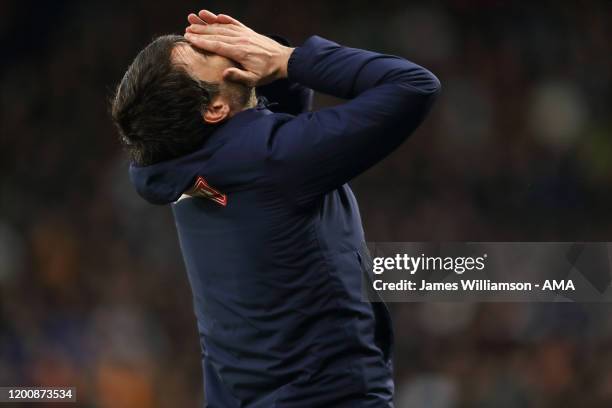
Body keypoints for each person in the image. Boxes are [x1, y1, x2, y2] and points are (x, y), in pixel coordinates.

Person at [111, 9, 440, 408]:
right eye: (202, 52)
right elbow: (414, 85)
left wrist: (271, 58)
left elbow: (267, 123)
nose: (214, 44)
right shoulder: (270, 161)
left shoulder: (180, 165)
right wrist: (289, 60)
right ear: (214, 108)